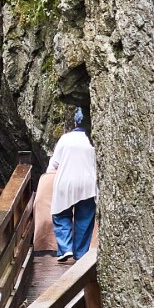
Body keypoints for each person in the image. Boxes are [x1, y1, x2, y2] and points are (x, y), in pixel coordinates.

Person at [49, 107, 98, 262]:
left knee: (60, 214)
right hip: (88, 184)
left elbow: (54, 164)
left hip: (66, 182)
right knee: (84, 219)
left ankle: (66, 248)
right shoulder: (93, 140)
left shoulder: (65, 139)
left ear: (75, 122)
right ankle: (80, 253)